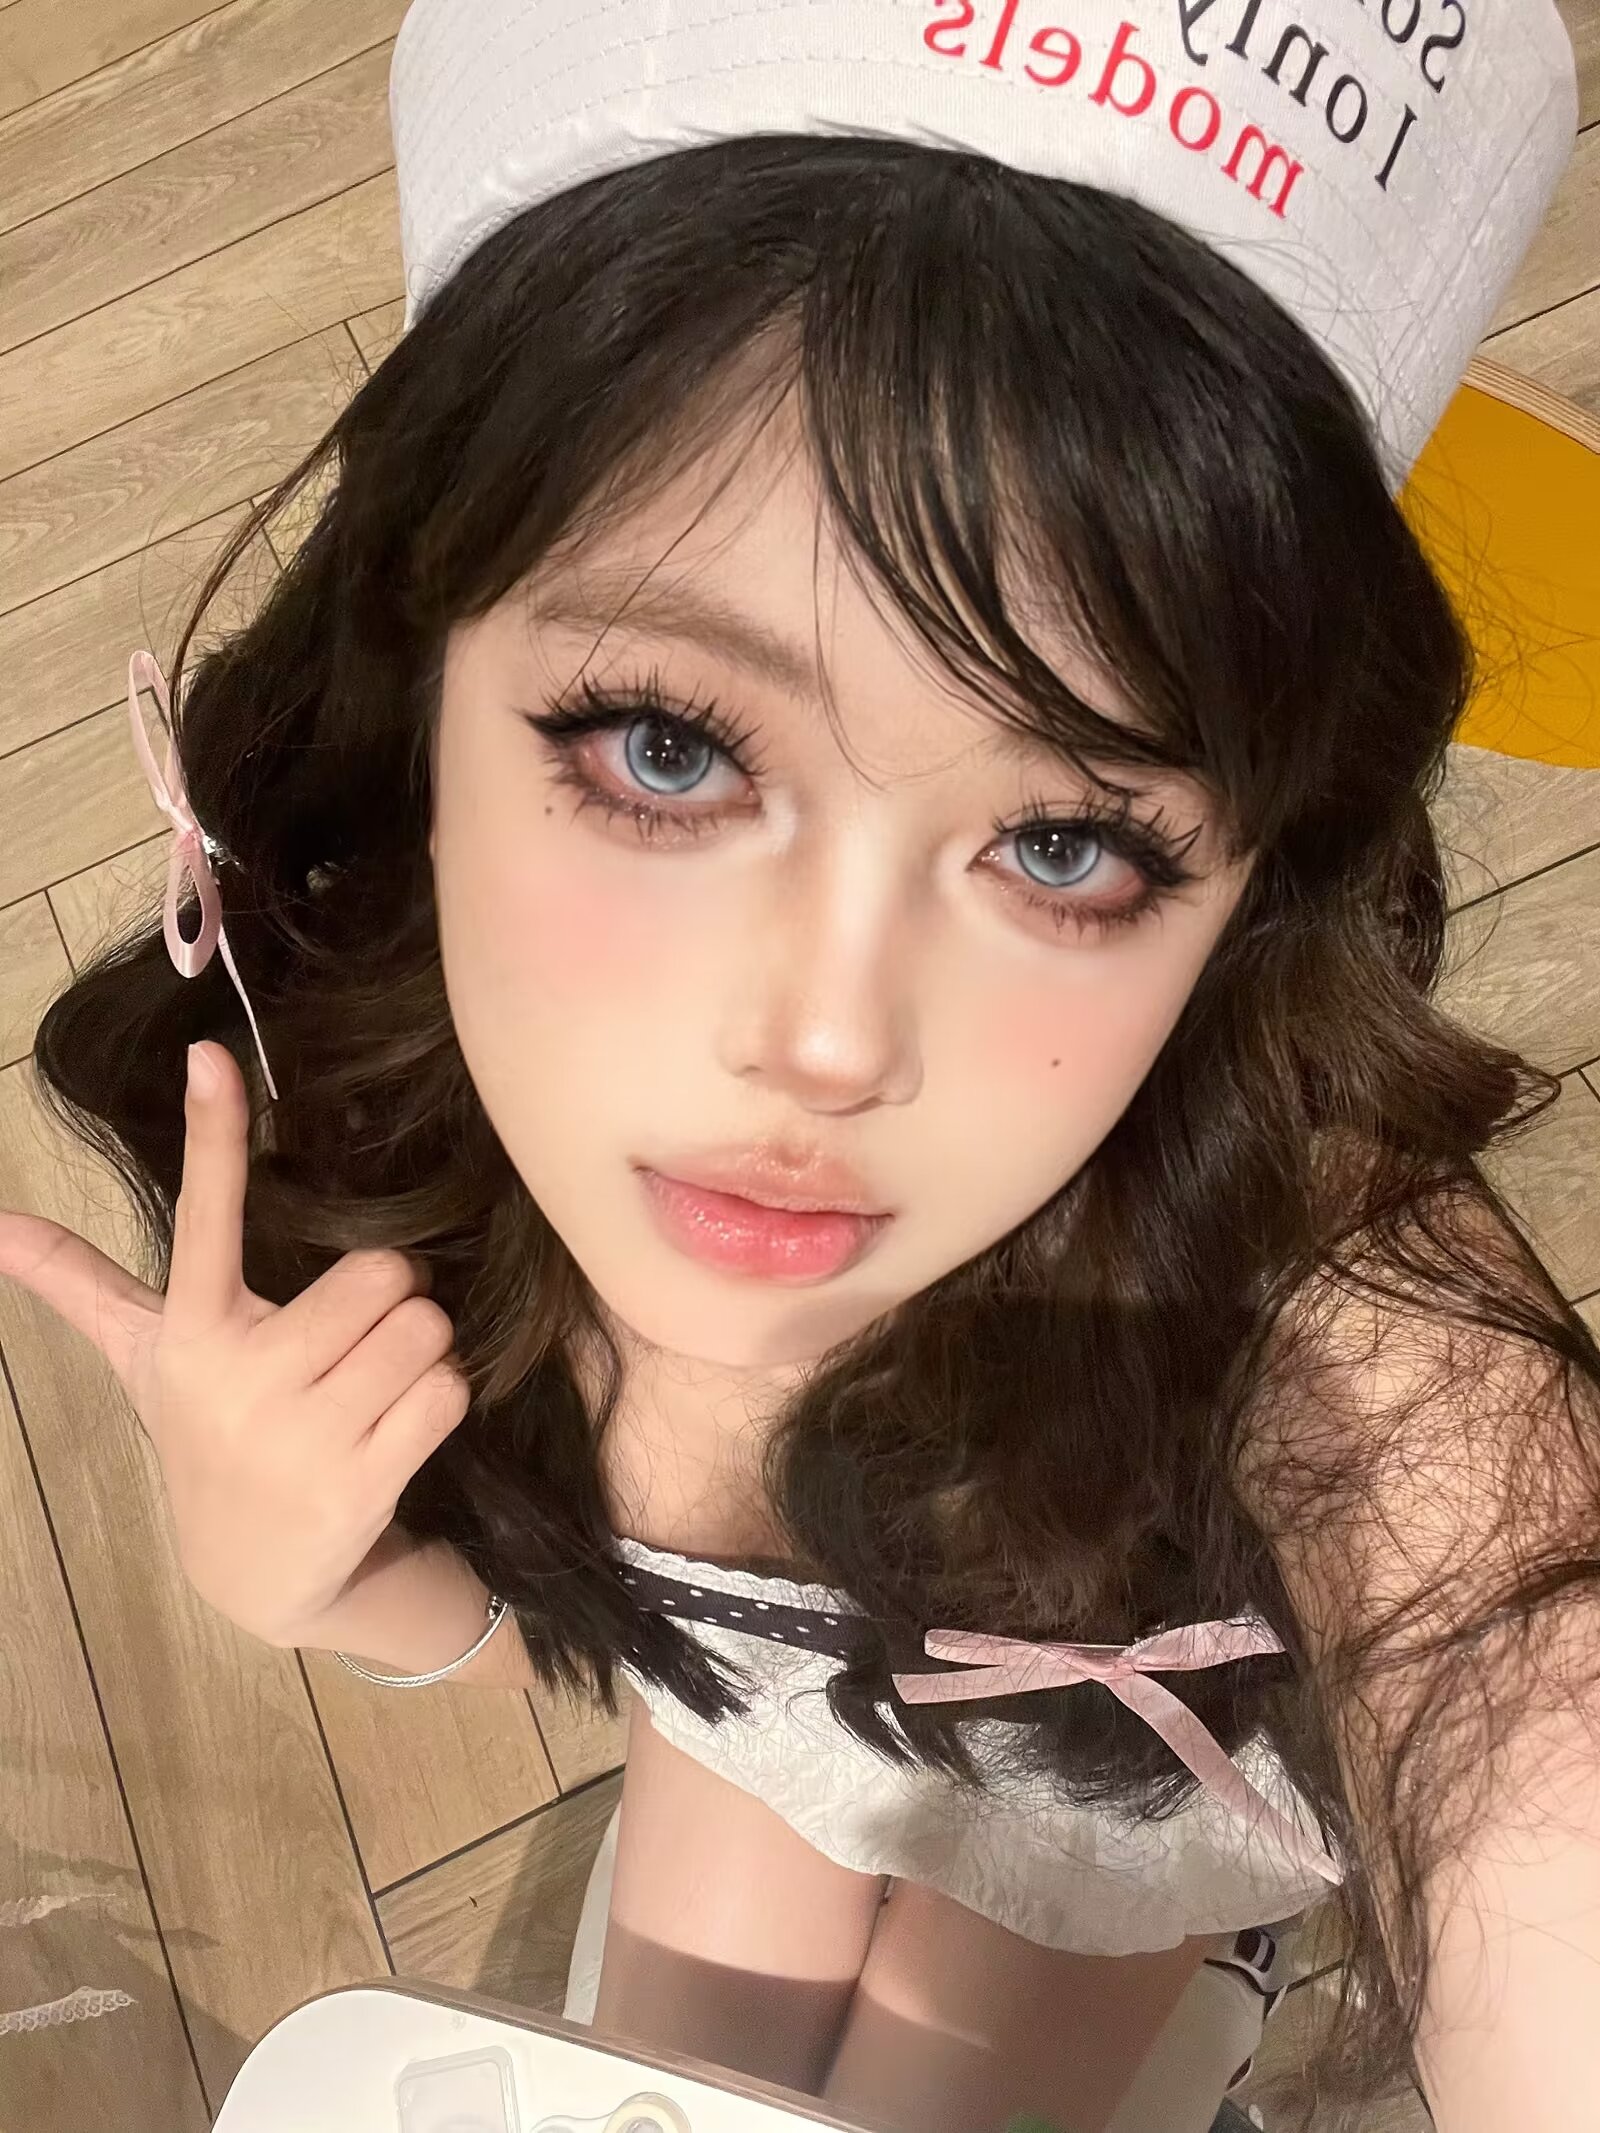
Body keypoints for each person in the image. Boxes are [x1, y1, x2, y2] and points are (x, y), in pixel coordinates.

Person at [1, 2, 1594, 2129]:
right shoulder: (431, 1133)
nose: (829, 1043)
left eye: (1066, 843)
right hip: (749, 1726)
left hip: (1101, 1827)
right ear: (419, 676)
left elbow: (1527, 1722)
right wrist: (299, 1558)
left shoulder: (1236, 1269)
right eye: (668, 748)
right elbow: (504, 1606)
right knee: (678, 2076)